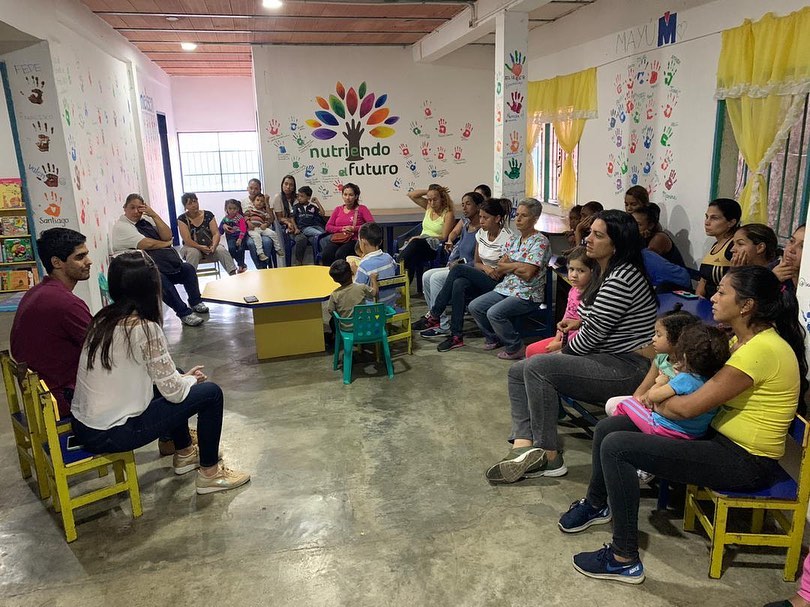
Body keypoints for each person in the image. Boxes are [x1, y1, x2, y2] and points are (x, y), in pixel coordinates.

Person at [560, 266, 807, 585]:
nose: (713, 298)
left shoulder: (760, 350)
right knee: (612, 427)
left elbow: (689, 408)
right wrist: (656, 394)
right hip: (721, 439)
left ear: (746, 306)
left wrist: (652, 397)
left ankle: (623, 558)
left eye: (722, 292)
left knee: (617, 447)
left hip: (744, 461)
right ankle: (596, 504)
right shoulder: (742, 341)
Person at [485, 210, 657, 484]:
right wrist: (577, 323)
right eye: (590, 232)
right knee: (518, 371)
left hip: (626, 367)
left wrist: (562, 350)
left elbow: (593, 337)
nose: (588, 239)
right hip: (607, 357)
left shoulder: (621, 278)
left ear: (617, 244)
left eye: (597, 235)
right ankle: (522, 445)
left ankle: (549, 456)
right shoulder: (606, 271)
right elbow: (596, 323)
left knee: (539, 366)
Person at [71, 251, 251, 495]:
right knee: (210, 393)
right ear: (151, 287)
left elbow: (163, 381)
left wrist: (181, 378)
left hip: (85, 425)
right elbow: (175, 394)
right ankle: (210, 473)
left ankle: (185, 452)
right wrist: (190, 379)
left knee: (175, 373)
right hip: (114, 432)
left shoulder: (102, 319)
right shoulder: (144, 328)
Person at [10, 228, 92, 416]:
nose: (88, 261)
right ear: (57, 262)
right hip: (62, 398)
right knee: (163, 391)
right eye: (80, 257)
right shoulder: (66, 303)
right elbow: (104, 348)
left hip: (40, 394)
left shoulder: (38, 292)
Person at [413, 198, 513, 352]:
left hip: (498, 282)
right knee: (459, 283)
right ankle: (456, 336)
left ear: (498, 218)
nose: (481, 221)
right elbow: (477, 262)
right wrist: (486, 268)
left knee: (458, 270)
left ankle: (434, 315)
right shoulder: (482, 233)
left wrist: (493, 269)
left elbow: (504, 268)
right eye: (480, 217)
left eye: (485, 218)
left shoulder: (508, 238)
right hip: (484, 275)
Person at [611, 322, 730, 438]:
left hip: (663, 429)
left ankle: (619, 426)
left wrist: (661, 382)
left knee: (625, 404)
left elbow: (654, 396)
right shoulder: (713, 382)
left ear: (685, 356)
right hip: (695, 434)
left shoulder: (685, 378)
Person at [469, 198, 551, 360]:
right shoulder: (514, 240)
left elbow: (528, 273)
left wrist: (511, 265)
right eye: (516, 214)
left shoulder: (540, 242)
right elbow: (500, 266)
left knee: (494, 313)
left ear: (534, 219)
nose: (518, 219)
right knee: (475, 307)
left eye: (524, 216)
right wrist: (517, 265)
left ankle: (516, 347)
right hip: (506, 287)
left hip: (527, 293)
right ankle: (495, 337)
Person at [111, 193, 206, 327]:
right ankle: (184, 313)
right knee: (159, 278)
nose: (136, 211)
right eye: (132, 207)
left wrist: (154, 215)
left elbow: (167, 234)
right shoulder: (122, 226)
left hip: (159, 263)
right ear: (124, 208)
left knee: (187, 269)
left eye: (140, 208)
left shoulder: (145, 221)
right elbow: (147, 244)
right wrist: (166, 244)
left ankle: (196, 302)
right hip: (136, 272)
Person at [419, 191, 483, 337]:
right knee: (426, 276)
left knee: (435, 279)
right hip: (458, 266)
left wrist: (458, 264)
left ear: (478, 206)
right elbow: (457, 241)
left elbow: (478, 261)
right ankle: (435, 318)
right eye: (463, 204)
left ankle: (442, 325)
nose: (464, 208)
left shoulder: (482, 230)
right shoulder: (466, 224)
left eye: (468, 204)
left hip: (468, 269)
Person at [525, 246, 597, 357]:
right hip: (564, 338)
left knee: (540, 359)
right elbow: (566, 316)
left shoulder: (592, 296)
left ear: (592, 272)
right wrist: (558, 336)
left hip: (577, 344)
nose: (573, 275)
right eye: (571, 269)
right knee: (530, 350)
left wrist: (562, 345)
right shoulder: (573, 290)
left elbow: (586, 330)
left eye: (581, 271)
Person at [400, 185, 455, 287]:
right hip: (419, 245)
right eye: (429, 200)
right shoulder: (429, 207)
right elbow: (411, 195)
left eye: (435, 199)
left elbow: (443, 237)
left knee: (414, 245)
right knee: (411, 258)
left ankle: (398, 265)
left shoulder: (448, 214)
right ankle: (403, 290)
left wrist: (422, 238)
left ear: (442, 198)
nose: (432, 203)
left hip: (434, 247)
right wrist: (429, 192)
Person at [177, 192, 237, 275]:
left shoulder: (208, 215)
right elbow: (187, 240)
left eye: (195, 201)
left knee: (221, 250)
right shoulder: (182, 219)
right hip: (192, 247)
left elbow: (216, 233)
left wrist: (214, 245)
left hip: (209, 246)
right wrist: (200, 247)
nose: (194, 205)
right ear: (185, 206)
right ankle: (190, 279)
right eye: (190, 203)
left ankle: (233, 274)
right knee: (193, 253)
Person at [696, 198, 741, 299]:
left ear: (731, 222)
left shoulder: (734, 247)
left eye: (714, 218)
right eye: (706, 217)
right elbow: (703, 281)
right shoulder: (715, 245)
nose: (707, 222)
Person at [321, 183, 374, 266]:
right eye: (345, 194)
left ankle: (343, 277)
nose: (347, 198)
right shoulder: (338, 209)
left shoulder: (362, 209)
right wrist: (341, 229)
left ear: (356, 196)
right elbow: (328, 227)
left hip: (354, 240)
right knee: (326, 254)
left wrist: (354, 228)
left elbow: (371, 225)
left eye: (350, 195)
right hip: (339, 238)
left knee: (340, 254)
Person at [326, 259, 379, 338]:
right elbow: (375, 293)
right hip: (364, 325)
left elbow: (331, 310)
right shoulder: (361, 287)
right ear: (351, 273)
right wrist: (373, 279)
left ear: (335, 280)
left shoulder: (335, 294)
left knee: (332, 322)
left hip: (346, 328)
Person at [354, 222, 398, 308]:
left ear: (363, 242)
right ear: (380, 241)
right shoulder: (388, 258)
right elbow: (394, 268)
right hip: (391, 304)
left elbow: (357, 289)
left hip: (373, 308)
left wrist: (355, 270)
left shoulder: (364, 264)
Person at [241, 178, 275, 269]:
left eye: (256, 188)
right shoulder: (243, 202)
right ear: (247, 188)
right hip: (250, 231)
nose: (253, 190)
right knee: (251, 244)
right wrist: (248, 222)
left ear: (260, 189)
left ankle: (263, 267)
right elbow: (240, 218)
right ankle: (259, 267)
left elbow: (272, 218)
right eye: (251, 188)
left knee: (267, 242)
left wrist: (267, 203)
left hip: (263, 230)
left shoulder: (263, 200)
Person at [288, 186, 326, 265]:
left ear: (308, 197)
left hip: (313, 227)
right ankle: (298, 262)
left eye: (302, 196)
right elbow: (292, 218)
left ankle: (320, 261)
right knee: (321, 235)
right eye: (298, 196)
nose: (299, 198)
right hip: (303, 228)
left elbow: (322, 213)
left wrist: (317, 202)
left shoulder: (312, 207)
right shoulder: (296, 207)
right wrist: (296, 228)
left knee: (322, 236)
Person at [246, 192, 284, 262]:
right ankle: (260, 253)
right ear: (253, 202)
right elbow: (245, 217)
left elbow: (268, 219)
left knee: (273, 233)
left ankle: (278, 249)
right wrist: (248, 222)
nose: (259, 202)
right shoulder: (250, 210)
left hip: (261, 228)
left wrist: (265, 224)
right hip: (253, 229)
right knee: (257, 237)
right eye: (257, 200)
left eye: (262, 201)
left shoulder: (264, 212)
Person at [773, 224, 805, 291]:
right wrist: (770, 281)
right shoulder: (769, 272)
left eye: (802, 246)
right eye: (792, 241)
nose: (791, 250)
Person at [219, 199, 248, 273]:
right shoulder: (225, 219)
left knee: (241, 249)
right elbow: (220, 230)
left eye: (234, 209)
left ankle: (241, 266)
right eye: (230, 208)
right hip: (230, 237)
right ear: (226, 209)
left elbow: (243, 229)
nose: (232, 211)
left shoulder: (240, 218)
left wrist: (240, 239)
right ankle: (241, 263)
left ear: (238, 209)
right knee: (231, 249)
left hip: (240, 237)